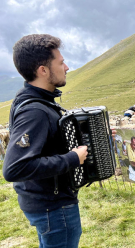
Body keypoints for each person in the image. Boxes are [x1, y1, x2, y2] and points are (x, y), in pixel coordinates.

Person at [2, 34, 115, 247]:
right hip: (53, 208)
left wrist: (93, 137)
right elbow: (14, 168)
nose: (67, 67)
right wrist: (72, 158)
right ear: (43, 70)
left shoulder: (36, 101)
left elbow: (47, 145)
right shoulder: (34, 110)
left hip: (47, 204)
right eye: (61, 62)